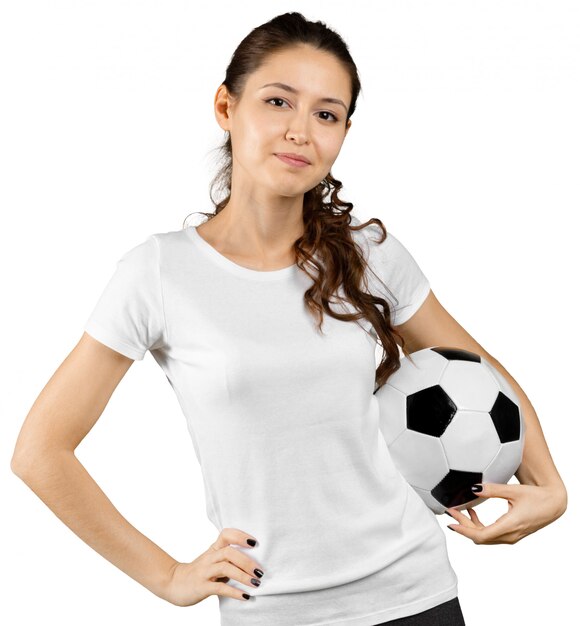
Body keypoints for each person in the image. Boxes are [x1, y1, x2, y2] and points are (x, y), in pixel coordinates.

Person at [11, 11, 567, 626]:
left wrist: (550, 487)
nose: (300, 131)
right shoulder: (159, 273)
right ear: (226, 107)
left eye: (326, 114)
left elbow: (480, 371)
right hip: (272, 611)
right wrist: (166, 575)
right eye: (278, 101)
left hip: (417, 597)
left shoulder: (369, 252)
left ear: (343, 133)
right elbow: (41, 451)